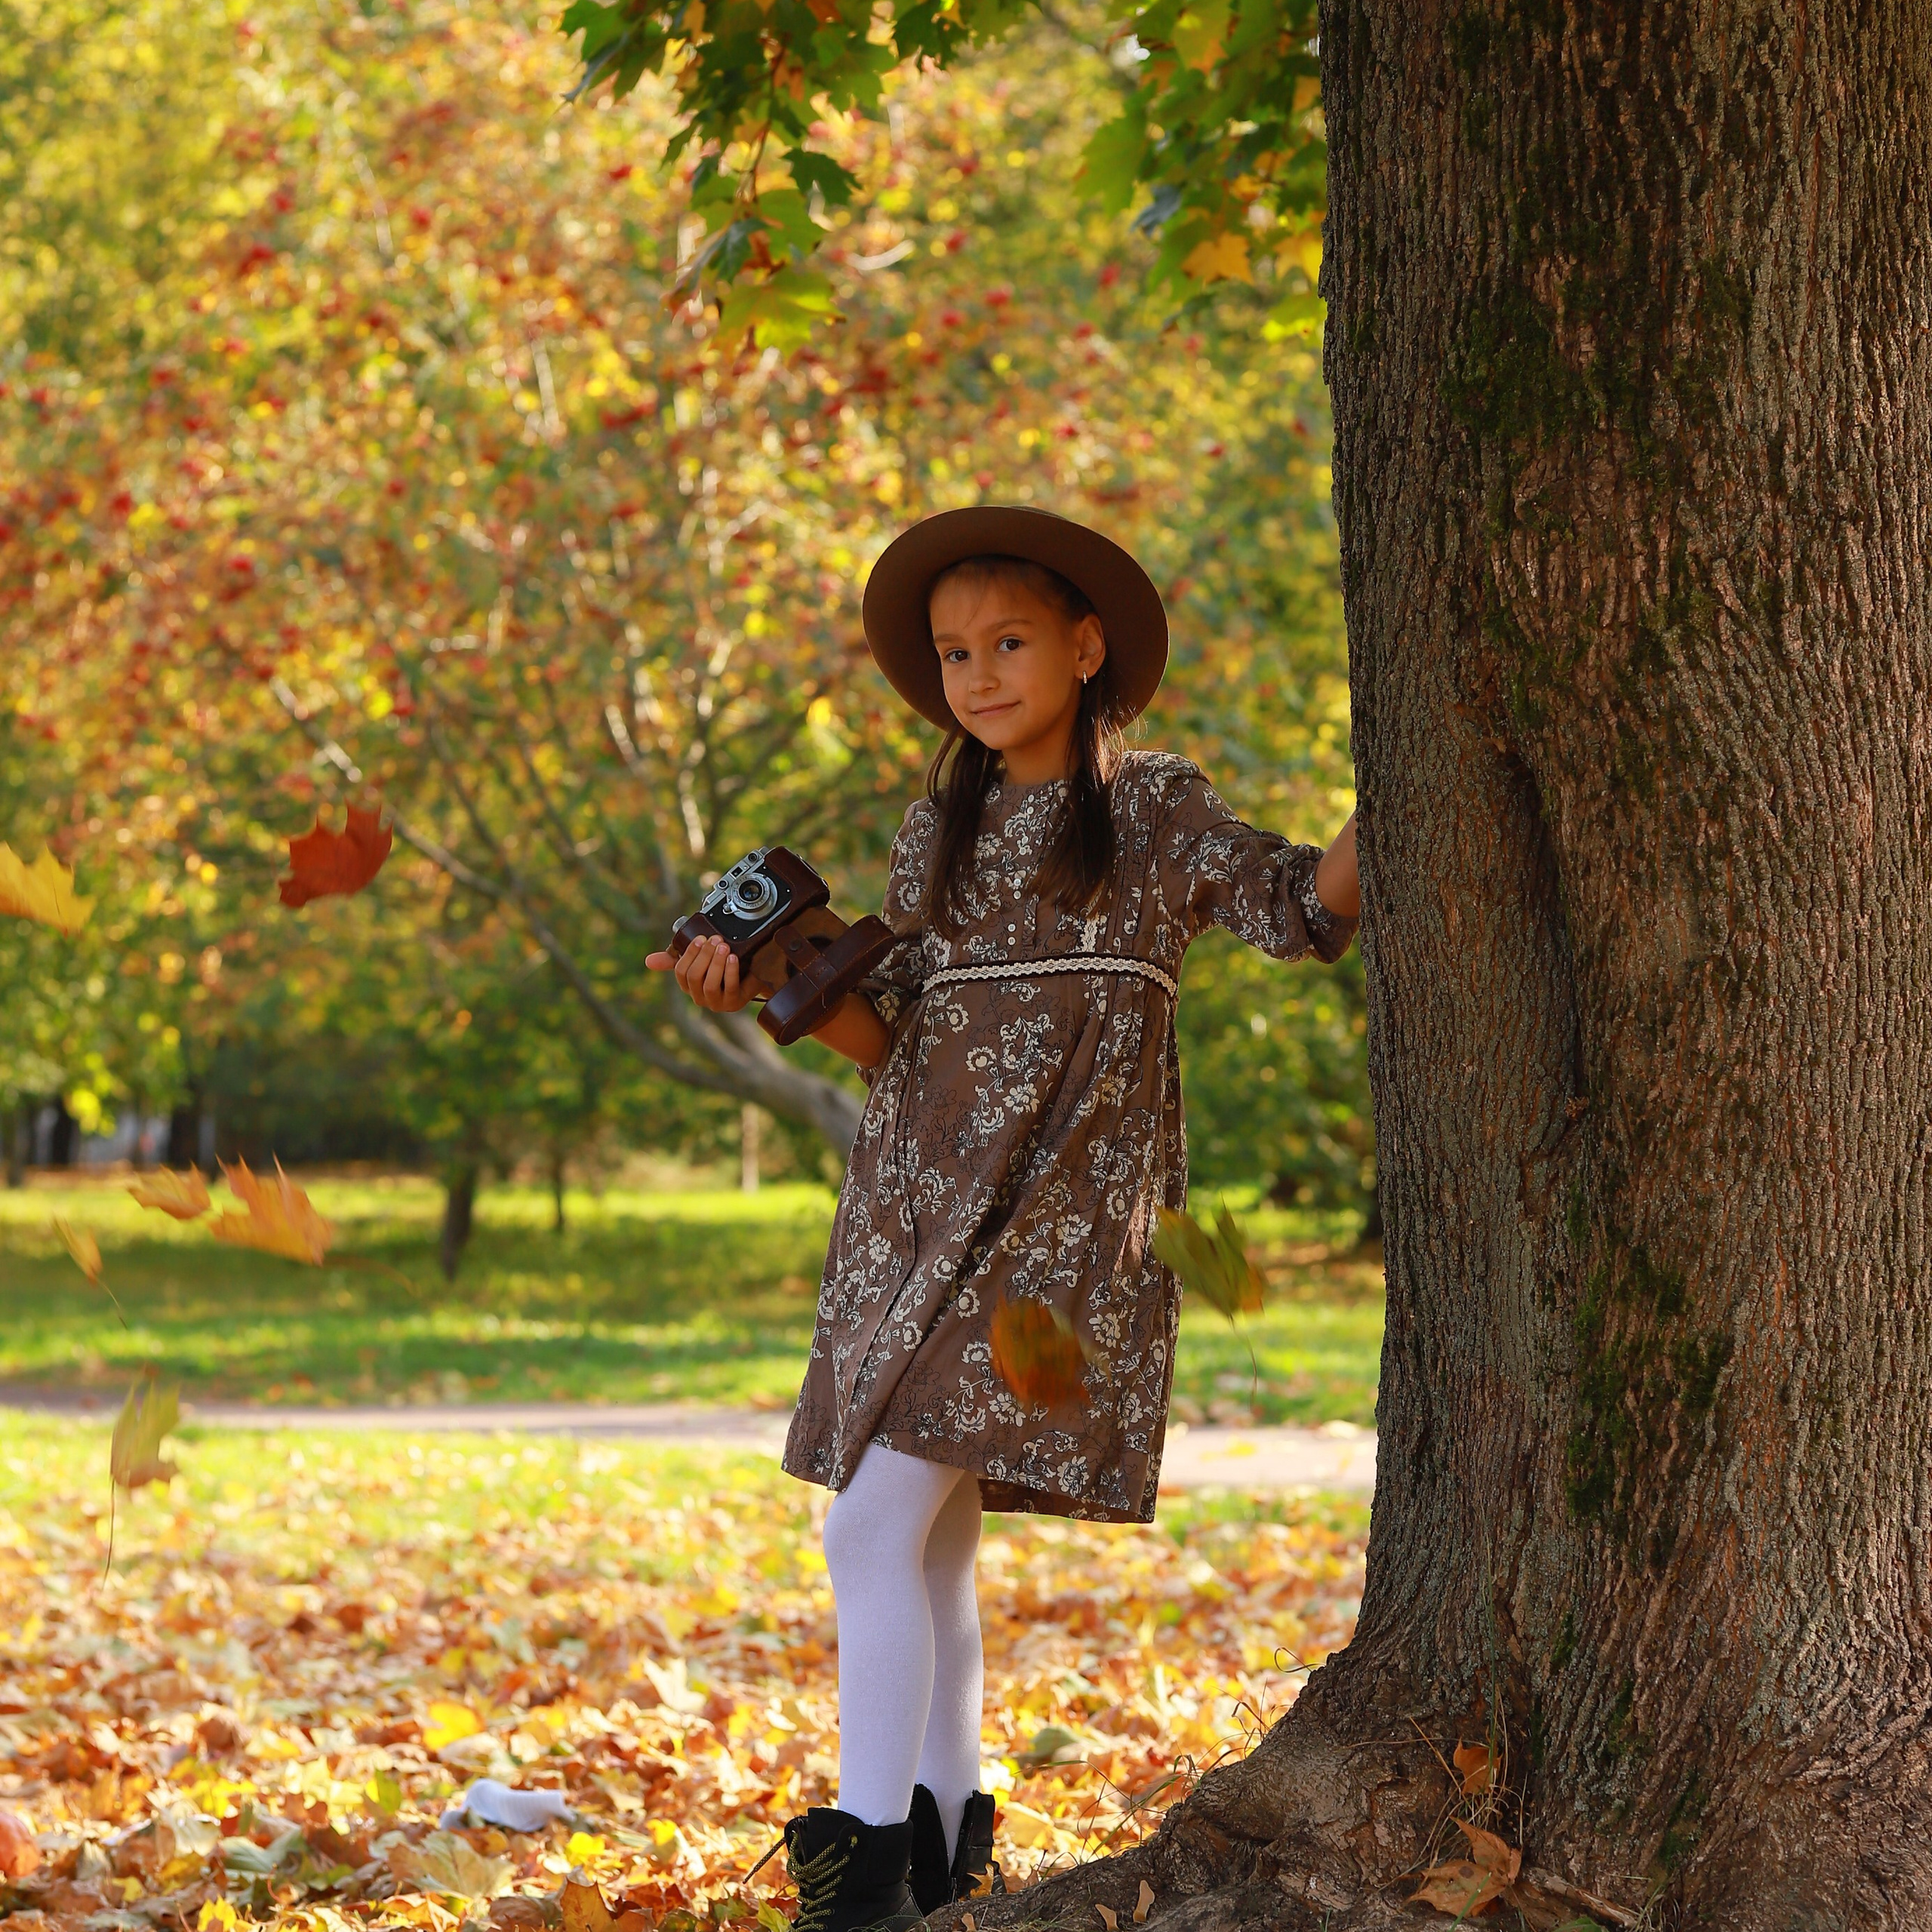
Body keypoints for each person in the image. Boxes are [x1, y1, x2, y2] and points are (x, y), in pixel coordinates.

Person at [647, 506, 1360, 1932]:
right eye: (953, 652)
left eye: (1009, 643)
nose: (976, 675)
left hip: (1059, 1222)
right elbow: (892, 1034)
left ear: (1087, 649)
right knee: (926, 1539)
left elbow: (1302, 910)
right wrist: (769, 989)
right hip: (916, 1204)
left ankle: (861, 1877)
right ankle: (944, 1845)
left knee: (870, 1529)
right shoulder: (939, 828)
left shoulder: (1152, 810)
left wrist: (1402, 773)